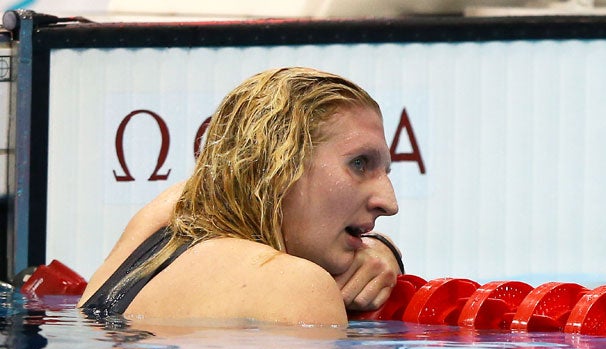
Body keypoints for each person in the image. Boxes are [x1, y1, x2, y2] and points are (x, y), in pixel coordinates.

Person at [79, 67, 403, 327]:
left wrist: (382, 249)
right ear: (279, 166)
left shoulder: (157, 222)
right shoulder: (295, 288)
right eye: (359, 164)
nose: (389, 202)